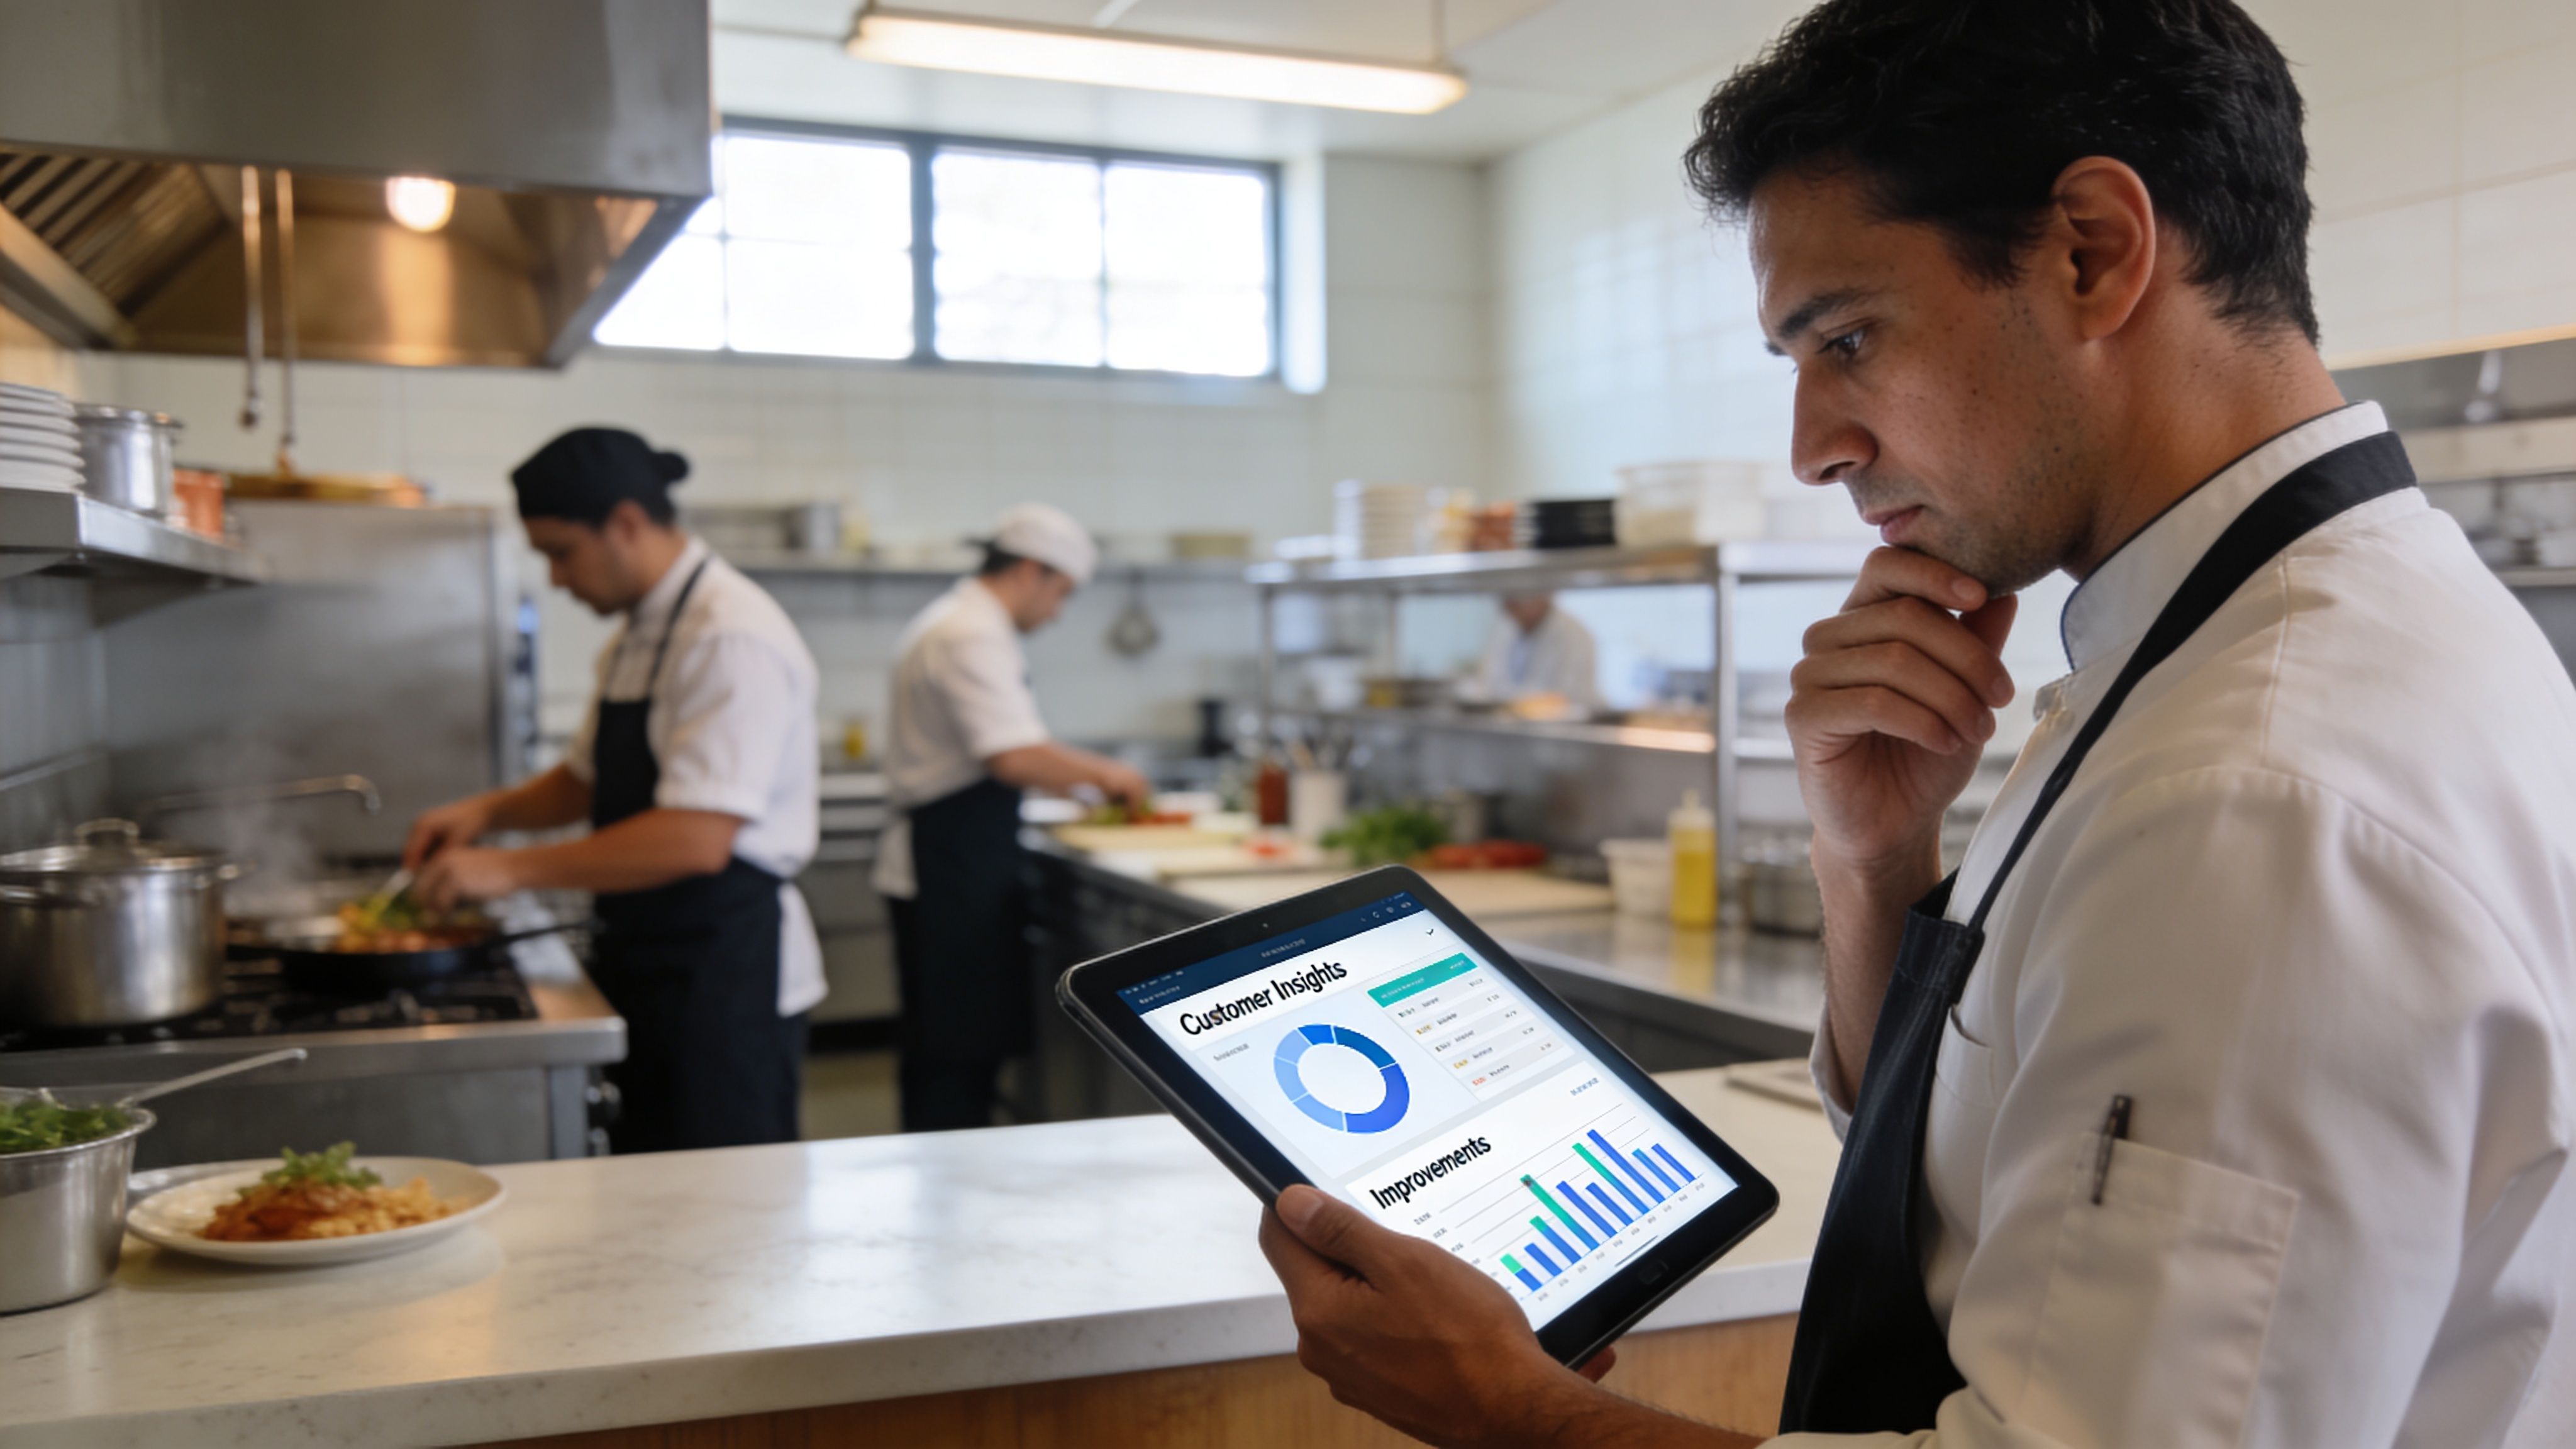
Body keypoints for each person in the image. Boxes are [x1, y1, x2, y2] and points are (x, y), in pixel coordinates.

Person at [1255, 3, 2576, 1445]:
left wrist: (1508, 1408)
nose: (1816, 444)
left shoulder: (2250, 789)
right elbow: (1992, 1170)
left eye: (1848, 338)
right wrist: (1875, 859)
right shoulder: (2283, 632)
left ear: (2092, 251)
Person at [408, 427, 824, 1153]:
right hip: (650, 958)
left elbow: (697, 838)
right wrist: (486, 813)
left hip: (727, 978)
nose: (558, 580)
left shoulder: (727, 635)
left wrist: (507, 867)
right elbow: (584, 779)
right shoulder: (638, 636)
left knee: (729, 1220)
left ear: (626, 524)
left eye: (561, 553)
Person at [873, 504, 1150, 1132]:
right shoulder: (971, 631)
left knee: (947, 1045)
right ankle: (948, 1176)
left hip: (952, 854)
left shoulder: (955, 620)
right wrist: (1110, 775)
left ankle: (940, 1165)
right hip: (948, 864)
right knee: (956, 1051)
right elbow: (1011, 753)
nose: (1056, 613)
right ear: (1030, 571)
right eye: (1062, 594)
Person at [1471, 593, 1604, 711]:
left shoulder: (1574, 636)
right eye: (1509, 605)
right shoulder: (1505, 630)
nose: (1511, 611)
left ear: (1542, 599)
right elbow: (1489, 682)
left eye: (1516, 605)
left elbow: (1566, 699)